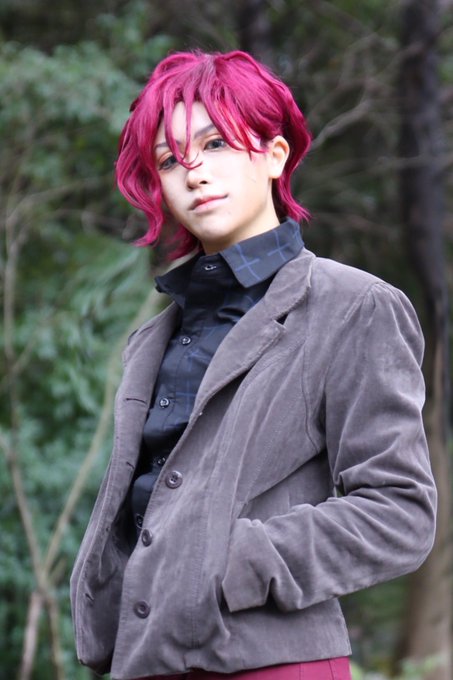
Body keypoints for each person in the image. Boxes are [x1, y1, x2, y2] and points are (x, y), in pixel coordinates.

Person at [70, 50, 437, 680]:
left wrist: (235, 563)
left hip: (271, 662)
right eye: (169, 160)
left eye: (215, 144)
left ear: (273, 154)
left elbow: (399, 511)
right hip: (144, 659)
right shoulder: (152, 340)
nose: (194, 172)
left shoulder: (353, 306)